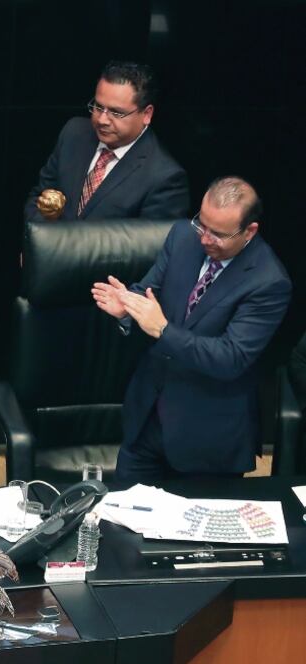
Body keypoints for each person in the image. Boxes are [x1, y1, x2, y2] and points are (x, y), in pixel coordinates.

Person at [92, 177, 291, 483]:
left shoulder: (268, 281)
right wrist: (126, 308)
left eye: (219, 234)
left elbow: (230, 358)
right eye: (203, 224)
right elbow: (148, 291)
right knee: (121, 523)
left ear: (249, 232)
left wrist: (162, 329)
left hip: (207, 438)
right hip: (147, 419)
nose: (205, 239)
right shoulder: (183, 235)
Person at [25, 60, 189, 223]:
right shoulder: (74, 133)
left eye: (116, 113)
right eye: (98, 107)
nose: (102, 120)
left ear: (146, 114)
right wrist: (40, 243)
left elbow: (146, 246)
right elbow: (40, 197)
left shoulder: (164, 177)